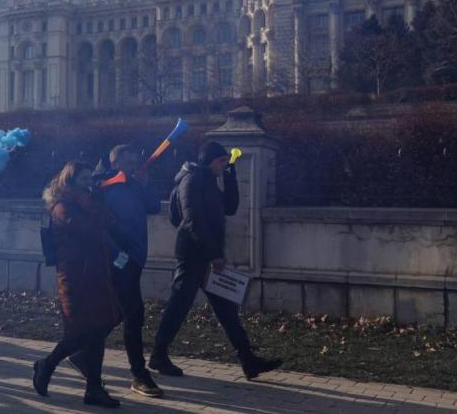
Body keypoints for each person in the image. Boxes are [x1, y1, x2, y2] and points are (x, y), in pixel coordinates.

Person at [150, 141, 283, 380]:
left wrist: (231, 174)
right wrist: (213, 254)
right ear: (210, 160)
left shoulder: (209, 180)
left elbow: (230, 207)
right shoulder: (191, 180)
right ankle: (158, 354)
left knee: (226, 309)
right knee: (179, 305)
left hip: (208, 253)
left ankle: (248, 361)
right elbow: (193, 221)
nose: (223, 164)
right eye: (222, 161)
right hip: (192, 254)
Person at [33, 161, 121, 408]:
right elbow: (90, 231)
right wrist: (95, 204)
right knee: (82, 331)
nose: (89, 184)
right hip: (75, 278)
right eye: (83, 180)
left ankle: (93, 388)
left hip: (96, 275)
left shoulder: (90, 202)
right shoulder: (62, 207)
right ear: (69, 182)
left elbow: (111, 221)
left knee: (100, 328)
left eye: (90, 179)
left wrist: (97, 201)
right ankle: (47, 364)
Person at [81, 144, 163, 398]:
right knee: (134, 313)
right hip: (118, 260)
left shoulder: (134, 184)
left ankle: (78, 352)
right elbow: (101, 226)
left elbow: (154, 207)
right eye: (129, 163)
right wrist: (119, 254)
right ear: (115, 164)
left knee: (117, 313)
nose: (134, 167)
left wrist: (146, 183)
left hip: (135, 258)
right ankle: (139, 374)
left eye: (135, 163)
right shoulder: (105, 188)